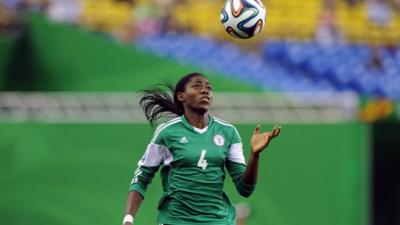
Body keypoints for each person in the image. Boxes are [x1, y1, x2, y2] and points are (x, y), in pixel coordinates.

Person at [122, 72, 281, 225]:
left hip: (217, 220)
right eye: (197, 86)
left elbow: (245, 189)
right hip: (175, 220)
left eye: (209, 88)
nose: (205, 90)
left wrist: (255, 155)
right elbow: (141, 178)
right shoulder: (167, 132)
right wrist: (128, 219)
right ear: (181, 96)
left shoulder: (228, 132)